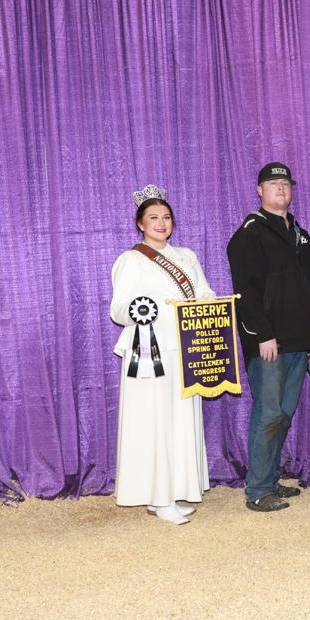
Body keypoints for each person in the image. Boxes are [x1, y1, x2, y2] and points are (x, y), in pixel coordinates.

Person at [110, 185, 216, 525]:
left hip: (185, 348)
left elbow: (203, 291)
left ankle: (173, 491)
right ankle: (159, 497)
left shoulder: (186, 256)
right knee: (154, 423)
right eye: (153, 217)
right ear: (140, 223)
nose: (161, 223)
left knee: (180, 422)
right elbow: (118, 309)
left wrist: (210, 303)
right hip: (149, 353)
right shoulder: (131, 260)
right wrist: (143, 310)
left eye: (166, 217)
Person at [227, 162, 310, 512]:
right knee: (268, 414)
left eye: (285, 183)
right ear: (259, 191)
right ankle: (258, 490)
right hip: (269, 343)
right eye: (273, 183)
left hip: (298, 341)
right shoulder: (250, 233)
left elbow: (309, 290)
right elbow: (245, 292)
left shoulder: (300, 234)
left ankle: (269, 478)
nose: (281, 188)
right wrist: (262, 334)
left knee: (283, 415)